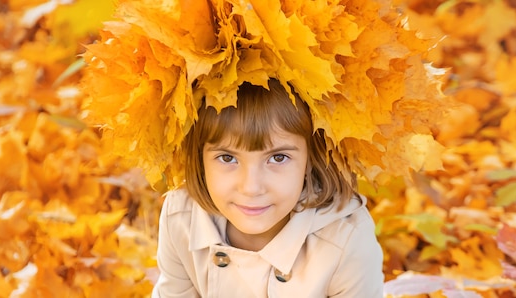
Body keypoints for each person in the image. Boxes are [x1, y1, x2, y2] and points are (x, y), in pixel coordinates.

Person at [152, 78, 384, 297]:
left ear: (310, 159)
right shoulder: (182, 218)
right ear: (200, 158)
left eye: (278, 158)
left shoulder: (346, 242)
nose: (251, 188)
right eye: (227, 158)